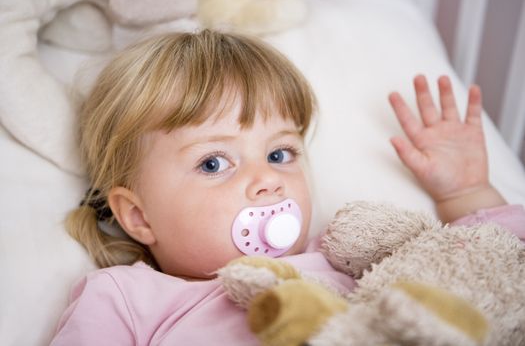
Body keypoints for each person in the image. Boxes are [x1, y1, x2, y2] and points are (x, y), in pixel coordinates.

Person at [50, 30, 525, 345]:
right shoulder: (127, 297)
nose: (267, 180)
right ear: (138, 216)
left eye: (280, 154)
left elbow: (487, 269)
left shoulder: (346, 258)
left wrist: (466, 191)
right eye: (214, 162)